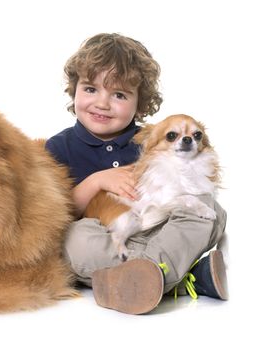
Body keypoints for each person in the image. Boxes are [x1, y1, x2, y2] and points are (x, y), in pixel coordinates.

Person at [45, 33, 228, 315]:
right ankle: (180, 278)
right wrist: (96, 181)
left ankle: (138, 280)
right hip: (106, 239)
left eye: (118, 94)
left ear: (140, 102)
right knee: (75, 238)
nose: (102, 103)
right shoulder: (59, 147)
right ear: (74, 90)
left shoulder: (152, 139)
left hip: (161, 232)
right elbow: (56, 214)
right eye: (91, 89)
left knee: (209, 208)